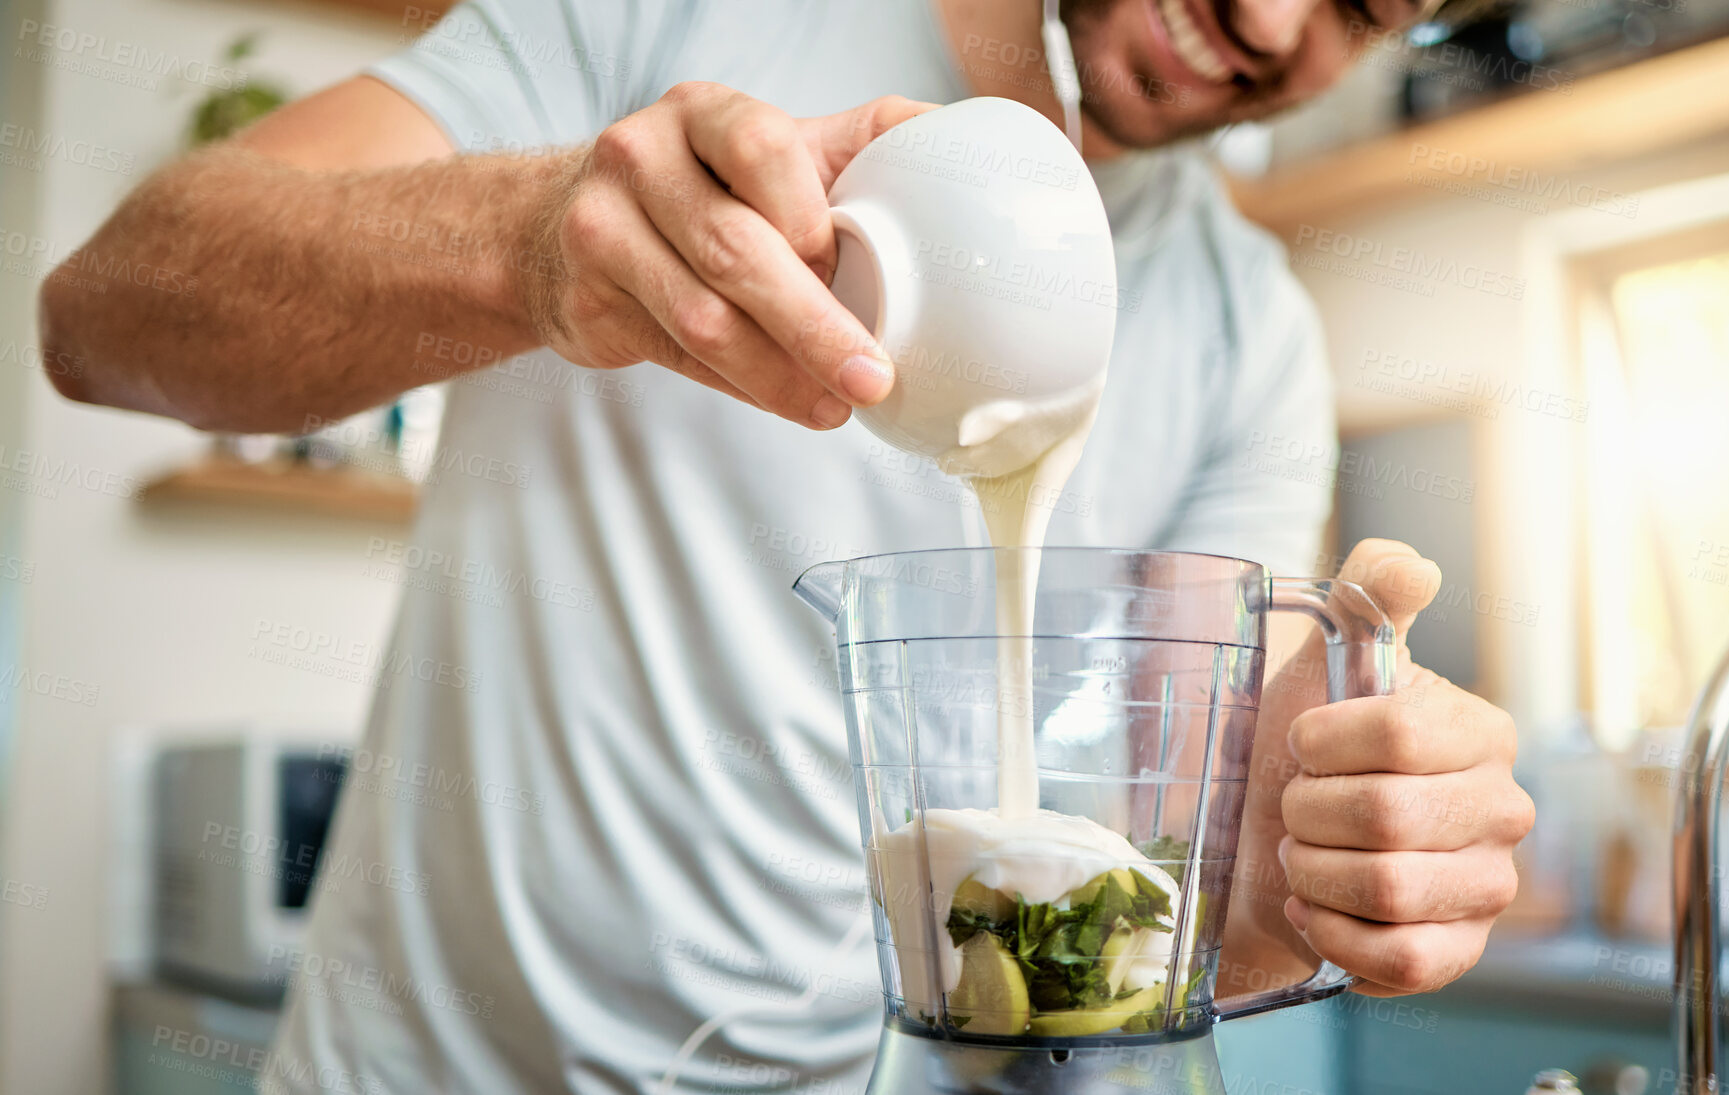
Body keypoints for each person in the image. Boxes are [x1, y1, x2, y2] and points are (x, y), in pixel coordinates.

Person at [38, 0, 1534, 1092]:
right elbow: (105, 315)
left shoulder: (1250, 334)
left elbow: (1208, 879)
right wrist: (530, 241)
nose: (1271, 20)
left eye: (1362, 6)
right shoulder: (673, 21)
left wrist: (1356, 861)